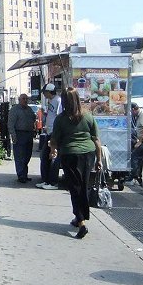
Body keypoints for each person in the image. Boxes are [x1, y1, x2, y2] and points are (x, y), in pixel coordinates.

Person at [49, 88, 102, 239]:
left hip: (70, 155)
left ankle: (81, 222)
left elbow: (54, 139)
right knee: (83, 186)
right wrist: (99, 160)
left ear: (64, 101)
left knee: (74, 188)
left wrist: (53, 150)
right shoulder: (88, 116)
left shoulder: (61, 119)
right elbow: (96, 140)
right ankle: (79, 217)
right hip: (88, 155)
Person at [37, 83, 62, 190]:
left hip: (54, 133)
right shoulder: (52, 101)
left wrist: (55, 133)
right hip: (49, 132)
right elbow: (52, 115)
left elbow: (58, 116)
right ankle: (46, 180)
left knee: (52, 157)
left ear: (49, 91)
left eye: (45, 92)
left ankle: (52, 182)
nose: (44, 94)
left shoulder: (58, 100)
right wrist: (45, 114)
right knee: (45, 157)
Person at [8, 93, 36, 183]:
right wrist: (13, 135)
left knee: (27, 155)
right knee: (20, 156)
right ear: (19, 100)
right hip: (19, 134)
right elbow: (10, 124)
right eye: (23, 98)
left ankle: (24, 174)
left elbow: (33, 118)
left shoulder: (29, 109)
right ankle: (21, 175)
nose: (25, 100)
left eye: (26, 99)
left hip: (29, 134)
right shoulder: (14, 110)